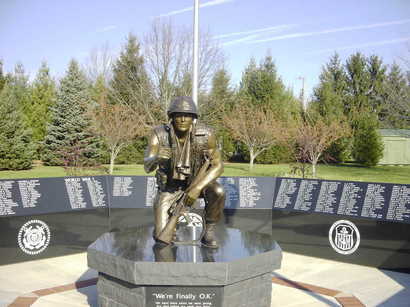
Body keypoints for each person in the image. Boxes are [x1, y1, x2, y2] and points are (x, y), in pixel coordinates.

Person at [144, 96, 225, 248]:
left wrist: (197, 188)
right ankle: (170, 225)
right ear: (171, 117)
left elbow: (218, 166)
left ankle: (209, 230)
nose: (182, 119)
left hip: (197, 183)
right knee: (161, 238)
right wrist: (156, 158)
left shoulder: (207, 134)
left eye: (187, 115)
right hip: (170, 188)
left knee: (218, 191)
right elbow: (146, 166)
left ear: (193, 118)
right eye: (178, 115)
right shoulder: (158, 134)